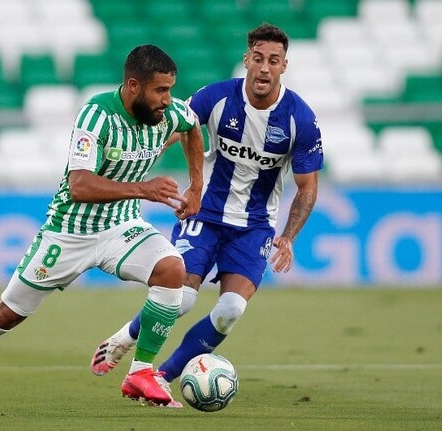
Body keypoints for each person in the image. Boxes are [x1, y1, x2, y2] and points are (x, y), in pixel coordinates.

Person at [0, 44, 204, 415]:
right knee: (5, 315)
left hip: (120, 226)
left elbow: (192, 127)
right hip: (68, 233)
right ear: (134, 86)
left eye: (170, 90)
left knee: (171, 269)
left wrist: (196, 188)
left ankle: (141, 371)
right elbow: (80, 186)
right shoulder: (97, 117)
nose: (167, 100)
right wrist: (143, 188)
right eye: (160, 90)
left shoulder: (168, 114)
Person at [90, 23, 323, 407]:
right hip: (205, 214)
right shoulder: (216, 97)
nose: (265, 68)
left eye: (274, 61)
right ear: (247, 59)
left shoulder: (300, 118)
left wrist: (289, 236)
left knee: (230, 310)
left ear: (284, 66)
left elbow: (307, 186)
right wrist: (141, 170)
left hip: (254, 227)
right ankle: (126, 336)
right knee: (179, 300)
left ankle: (161, 376)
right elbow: (170, 128)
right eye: (259, 58)